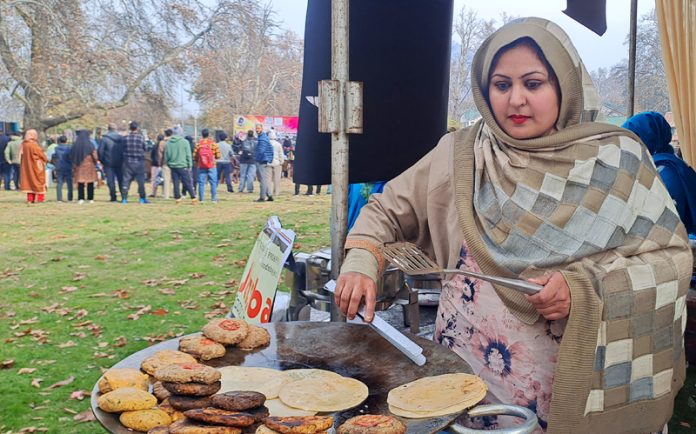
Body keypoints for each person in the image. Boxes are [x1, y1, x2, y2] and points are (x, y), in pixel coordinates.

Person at [335, 18, 691, 433]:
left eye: (534, 83)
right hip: (465, 384)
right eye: (502, 85)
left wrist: (585, 289)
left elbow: (670, 259)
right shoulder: (463, 155)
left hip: (576, 387)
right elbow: (385, 209)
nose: (516, 99)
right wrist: (361, 258)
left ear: (565, 84)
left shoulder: (618, 162)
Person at [622, 111, 696, 235]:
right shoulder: (664, 165)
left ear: (648, 139)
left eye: (634, 138)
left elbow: (664, 225)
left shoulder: (665, 173)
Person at [165, 125, 197, 204]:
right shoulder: (185, 142)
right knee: (187, 182)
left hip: (173, 165)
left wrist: (169, 163)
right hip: (183, 165)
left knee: (175, 183)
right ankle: (193, 198)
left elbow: (166, 155)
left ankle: (177, 199)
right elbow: (188, 155)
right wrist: (190, 165)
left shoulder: (168, 143)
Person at [120, 121, 149, 204]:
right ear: (137, 128)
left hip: (127, 162)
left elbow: (122, 149)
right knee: (141, 182)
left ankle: (124, 198)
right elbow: (145, 148)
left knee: (126, 180)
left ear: (130, 128)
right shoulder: (141, 138)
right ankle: (142, 198)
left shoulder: (125, 138)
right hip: (139, 162)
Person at [18, 129, 48, 203]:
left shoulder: (24, 144)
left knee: (29, 182)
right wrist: (45, 160)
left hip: (27, 167)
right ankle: (40, 199)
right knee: (39, 181)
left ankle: (30, 199)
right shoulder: (33, 145)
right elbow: (41, 155)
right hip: (36, 166)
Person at [192, 128, 221, 203]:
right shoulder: (213, 144)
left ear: (202, 135)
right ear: (208, 135)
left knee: (201, 183)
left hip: (201, 166)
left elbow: (194, 155)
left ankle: (201, 199)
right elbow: (218, 155)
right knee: (213, 182)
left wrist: (197, 161)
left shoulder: (198, 144)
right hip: (212, 165)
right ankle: (213, 199)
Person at [71, 130, 98, 204]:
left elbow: (71, 155)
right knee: (90, 182)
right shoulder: (90, 144)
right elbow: (95, 156)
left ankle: (81, 198)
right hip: (89, 165)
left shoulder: (75, 144)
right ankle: (90, 198)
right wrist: (96, 163)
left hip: (79, 165)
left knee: (80, 182)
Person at [98, 124, 124, 202]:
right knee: (121, 179)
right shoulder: (122, 138)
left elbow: (100, 151)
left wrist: (102, 160)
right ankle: (123, 196)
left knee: (110, 180)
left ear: (108, 129)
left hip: (108, 162)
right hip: (120, 161)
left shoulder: (104, 139)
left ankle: (113, 196)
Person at [254, 123, 273, 202]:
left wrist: (256, 158)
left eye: (258, 128)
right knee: (264, 179)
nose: (257, 130)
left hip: (261, 160)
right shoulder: (262, 137)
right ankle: (269, 195)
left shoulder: (262, 138)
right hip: (263, 159)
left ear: (262, 129)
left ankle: (262, 197)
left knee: (262, 179)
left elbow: (261, 151)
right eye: (256, 128)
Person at [53, 135, 73, 202]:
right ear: (66, 141)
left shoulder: (56, 148)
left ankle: (59, 199)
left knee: (59, 183)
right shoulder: (69, 148)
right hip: (68, 167)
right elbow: (71, 157)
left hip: (59, 167)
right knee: (69, 183)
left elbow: (54, 156)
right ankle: (70, 198)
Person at [269, 130, 285, 197]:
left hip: (268, 163)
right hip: (277, 163)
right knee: (277, 179)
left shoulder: (267, 143)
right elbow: (281, 154)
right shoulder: (278, 144)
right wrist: (282, 162)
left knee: (269, 179)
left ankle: (269, 192)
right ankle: (276, 192)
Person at [149, 133, 164, 198]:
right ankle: (164, 193)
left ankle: (153, 193)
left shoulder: (154, 145)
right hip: (162, 164)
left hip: (155, 164)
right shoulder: (164, 145)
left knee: (154, 179)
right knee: (163, 179)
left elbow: (151, 155)